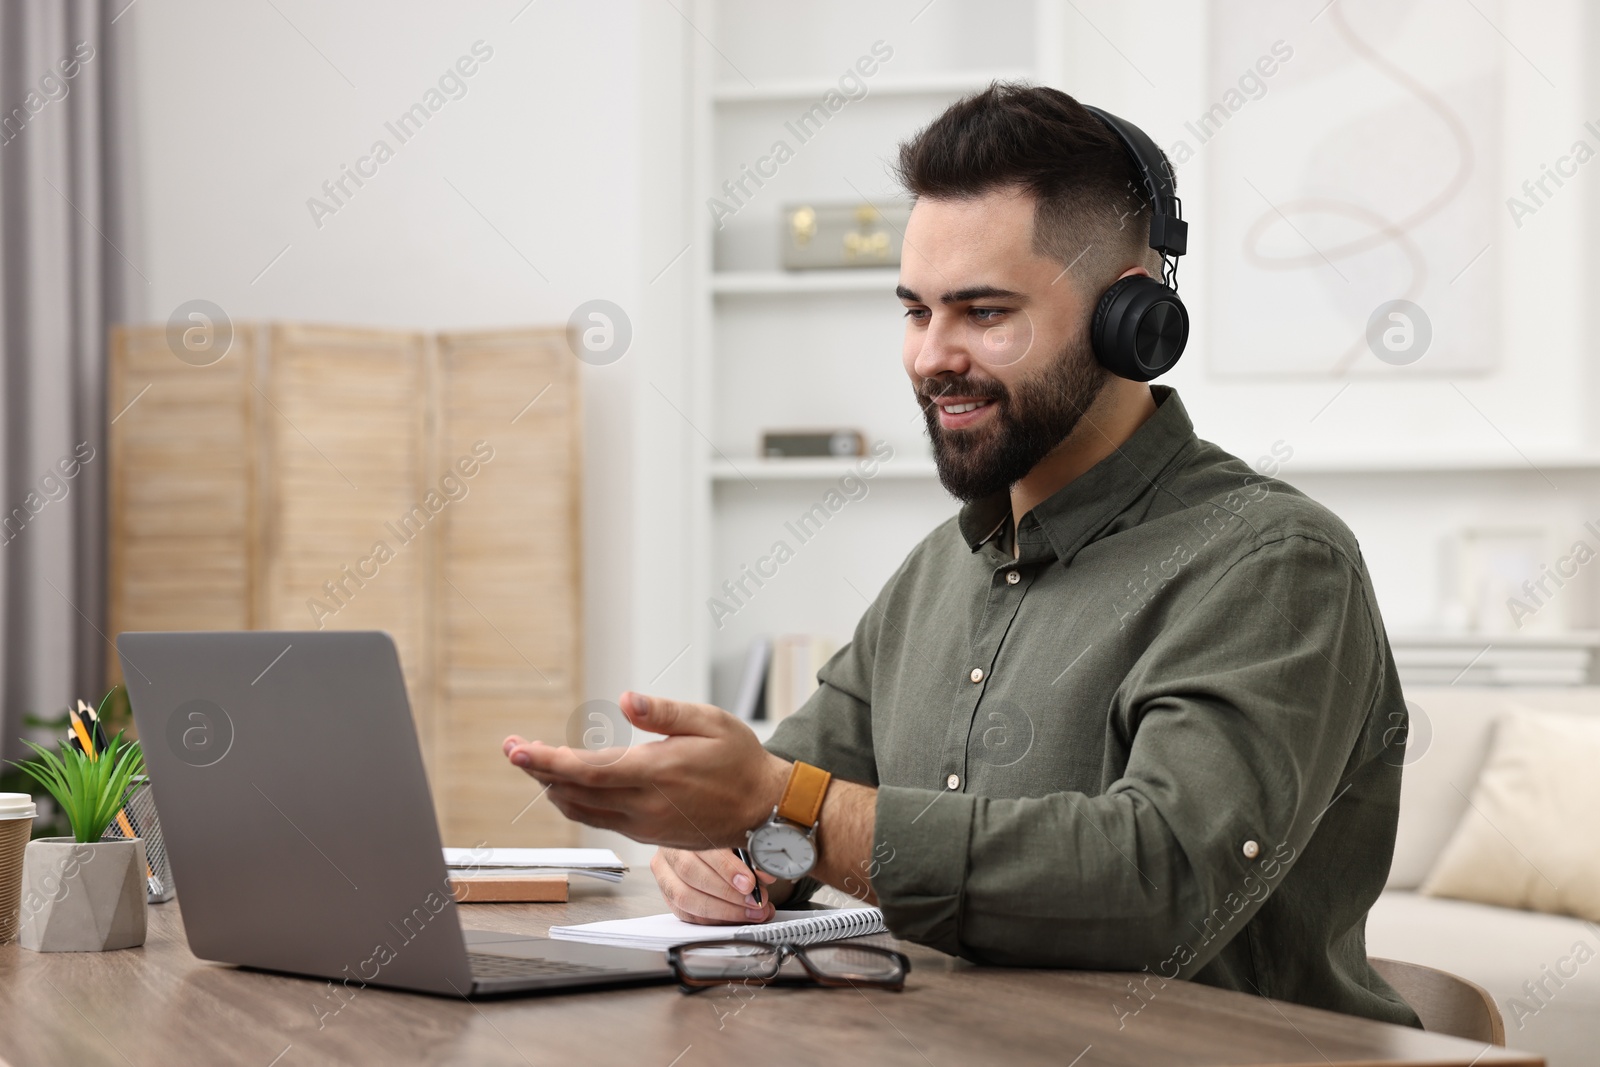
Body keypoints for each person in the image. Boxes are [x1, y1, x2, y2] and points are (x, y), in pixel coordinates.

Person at [503, 83, 1420, 1028]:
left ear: (1131, 321)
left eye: (983, 312)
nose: (929, 356)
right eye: (916, 310)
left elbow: (1162, 878)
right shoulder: (937, 573)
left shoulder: (1273, 563)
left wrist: (788, 809)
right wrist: (726, 848)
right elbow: (786, 793)